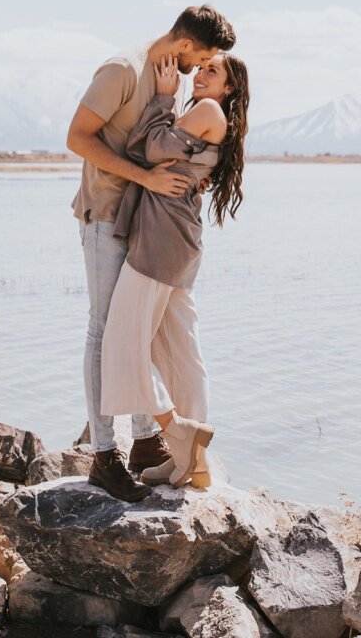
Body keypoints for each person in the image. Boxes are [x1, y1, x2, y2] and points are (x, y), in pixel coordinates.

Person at [66, 5, 236, 501]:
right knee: (105, 329)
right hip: (104, 214)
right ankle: (102, 453)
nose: (201, 67)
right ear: (186, 47)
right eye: (203, 57)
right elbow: (77, 137)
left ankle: (144, 442)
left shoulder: (172, 82)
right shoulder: (124, 70)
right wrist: (146, 177)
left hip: (141, 224)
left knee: (135, 331)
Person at [98, 50, 248, 489]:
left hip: (162, 241)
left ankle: (178, 434)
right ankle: (194, 462)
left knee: (123, 343)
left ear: (229, 87)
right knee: (180, 349)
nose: (200, 74)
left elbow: (147, 148)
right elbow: (163, 154)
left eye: (212, 70)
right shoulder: (208, 115)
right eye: (201, 66)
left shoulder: (206, 109)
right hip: (178, 240)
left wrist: (163, 99)